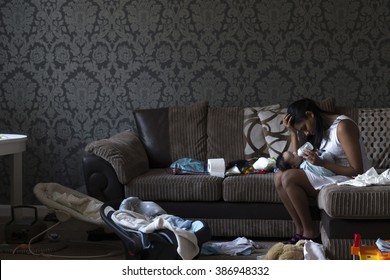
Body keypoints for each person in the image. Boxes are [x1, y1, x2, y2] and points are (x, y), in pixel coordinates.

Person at [274, 98, 370, 244]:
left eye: (304, 127)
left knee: (288, 177)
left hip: (350, 178)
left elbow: (357, 170)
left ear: (310, 114)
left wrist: (322, 163)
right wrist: (293, 133)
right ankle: (300, 230)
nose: (306, 132)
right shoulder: (318, 128)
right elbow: (296, 159)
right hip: (330, 174)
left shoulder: (343, 126)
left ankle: (310, 233)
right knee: (279, 177)